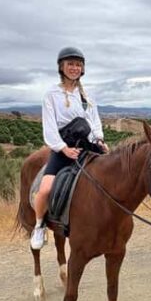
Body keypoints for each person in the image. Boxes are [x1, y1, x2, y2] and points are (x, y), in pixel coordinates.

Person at [30, 47, 108, 250]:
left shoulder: (87, 95)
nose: (75, 68)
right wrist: (64, 149)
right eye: (71, 64)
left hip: (88, 145)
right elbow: (49, 128)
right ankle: (39, 225)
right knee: (45, 189)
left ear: (83, 69)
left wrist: (99, 139)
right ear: (61, 67)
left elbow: (94, 120)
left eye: (78, 64)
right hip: (63, 146)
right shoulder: (51, 95)